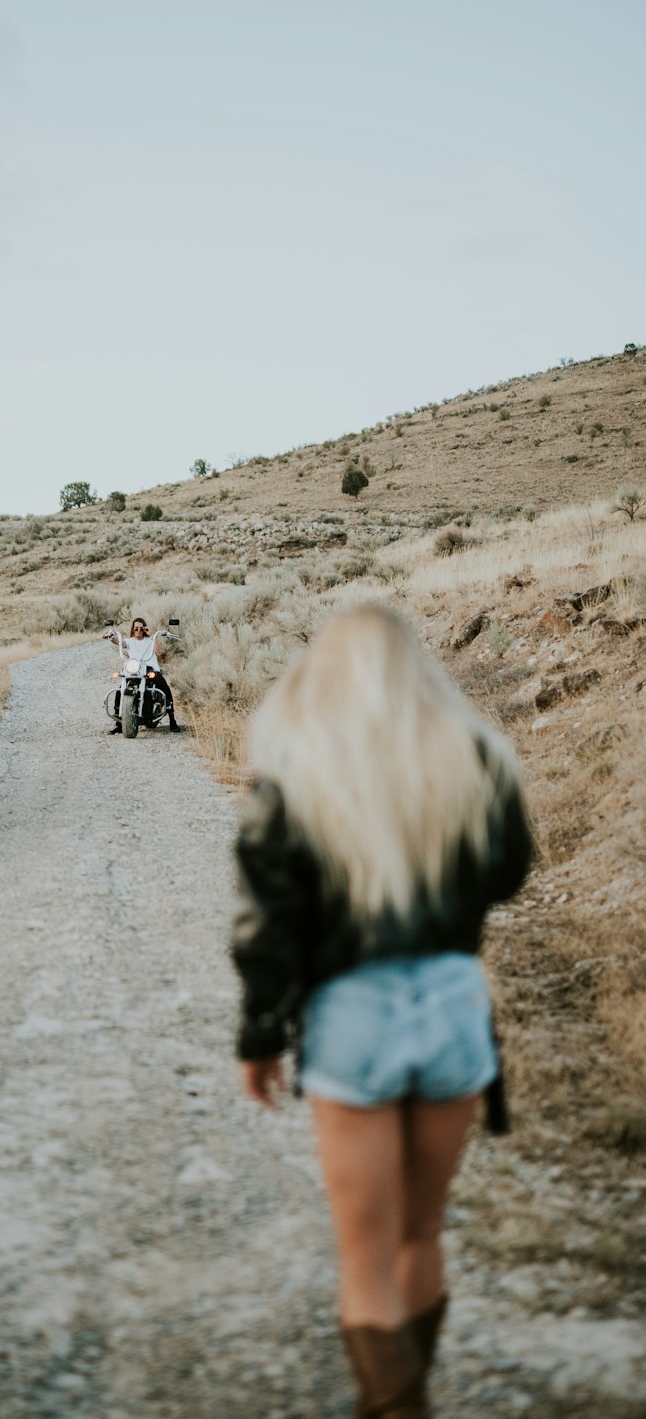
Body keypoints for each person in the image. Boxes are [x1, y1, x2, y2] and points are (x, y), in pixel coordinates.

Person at [230, 605, 532, 1418]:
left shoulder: (299, 773)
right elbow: (508, 873)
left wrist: (260, 1037)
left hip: (352, 1014)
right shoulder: (476, 757)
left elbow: (270, 926)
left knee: (365, 1256)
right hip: (451, 1001)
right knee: (422, 1234)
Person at [102, 616, 181, 731]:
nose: (138, 630)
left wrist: (153, 635)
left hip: (150, 669)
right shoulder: (129, 642)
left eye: (141, 628)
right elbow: (120, 643)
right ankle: (119, 723)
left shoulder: (150, 641)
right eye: (136, 628)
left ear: (145, 629)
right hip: (134, 669)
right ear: (133, 629)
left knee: (165, 688)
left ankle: (172, 720)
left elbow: (159, 652)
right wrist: (110, 637)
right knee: (121, 690)